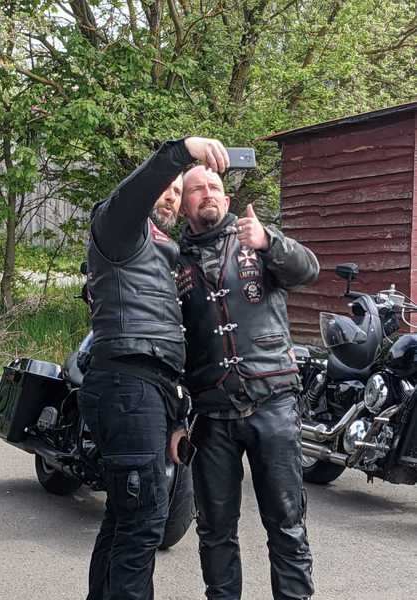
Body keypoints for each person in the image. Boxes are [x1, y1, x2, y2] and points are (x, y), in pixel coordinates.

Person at [78, 139, 229, 600]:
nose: (171, 195)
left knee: (124, 516)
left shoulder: (164, 249)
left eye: (178, 191)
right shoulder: (119, 226)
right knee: (144, 520)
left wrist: (178, 418)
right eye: (166, 187)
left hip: (150, 389)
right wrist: (182, 150)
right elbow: (139, 187)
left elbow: (170, 336)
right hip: (128, 382)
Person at [172, 165, 318, 600]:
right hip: (210, 412)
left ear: (227, 199)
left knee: (287, 522)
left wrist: (270, 242)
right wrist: (177, 418)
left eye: (214, 187)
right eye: (197, 189)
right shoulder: (173, 259)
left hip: (273, 402)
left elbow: (308, 269)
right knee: (214, 528)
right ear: (183, 205)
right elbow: (168, 343)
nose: (207, 194)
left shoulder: (257, 238)